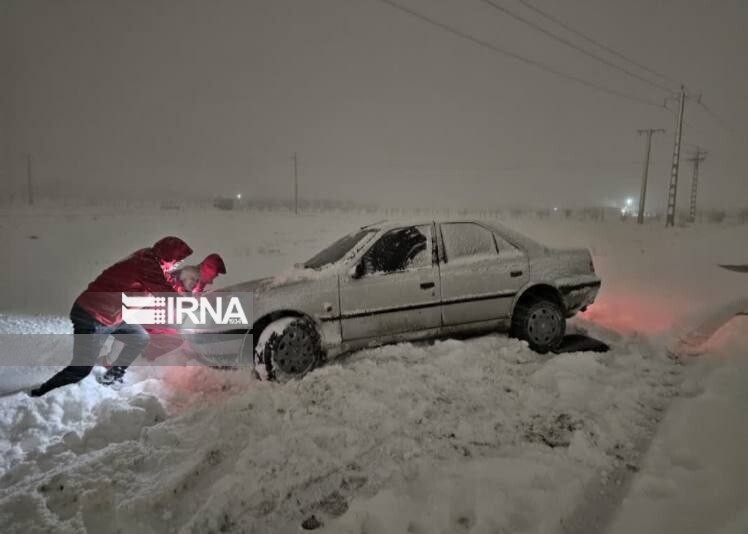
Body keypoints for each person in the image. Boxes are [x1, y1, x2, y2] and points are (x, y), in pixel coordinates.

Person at [29, 237, 193, 396]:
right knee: (81, 369)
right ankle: (42, 393)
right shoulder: (146, 264)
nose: (178, 263)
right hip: (92, 315)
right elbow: (164, 291)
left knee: (139, 337)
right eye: (177, 259)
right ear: (168, 255)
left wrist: (187, 296)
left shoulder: (152, 261)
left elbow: (167, 282)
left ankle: (112, 376)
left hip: (113, 316)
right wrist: (190, 305)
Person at [140, 253, 227, 361]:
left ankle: (149, 360)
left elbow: (192, 299)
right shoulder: (190, 279)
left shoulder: (196, 280)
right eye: (215, 274)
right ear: (209, 269)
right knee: (173, 338)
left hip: (161, 315)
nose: (213, 279)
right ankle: (146, 360)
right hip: (156, 315)